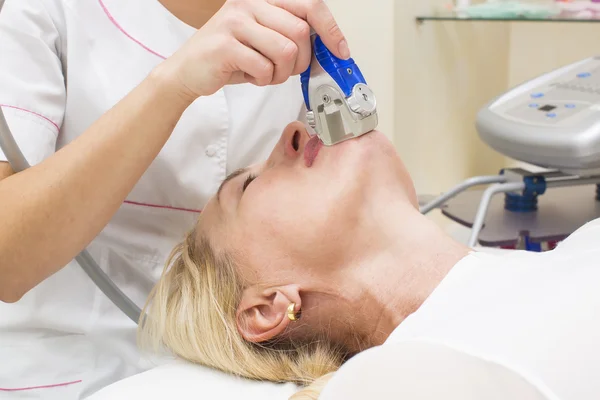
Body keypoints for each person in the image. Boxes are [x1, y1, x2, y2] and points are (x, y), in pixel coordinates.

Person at [0, 0, 351, 398]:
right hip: (63, 372)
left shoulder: (294, 20)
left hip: (243, 373)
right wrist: (174, 85)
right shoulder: (49, 12)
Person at [141, 121, 600, 400]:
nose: (293, 132)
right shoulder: (401, 379)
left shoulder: (582, 246)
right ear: (268, 308)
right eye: (247, 186)